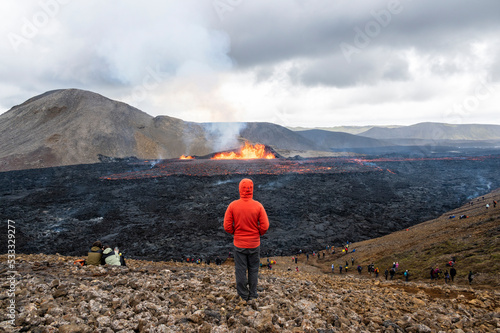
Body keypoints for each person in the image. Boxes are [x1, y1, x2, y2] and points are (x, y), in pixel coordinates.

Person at [224, 178, 269, 301]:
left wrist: (236, 232)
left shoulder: (233, 206)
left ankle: (243, 295)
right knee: (253, 269)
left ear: (240, 190)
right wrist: (257, 233)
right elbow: (265, 226)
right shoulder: (258, 206)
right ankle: (253, 294)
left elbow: (227, 226)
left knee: (240, 269)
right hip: (254, 244)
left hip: (239, 244)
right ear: (251, 189)